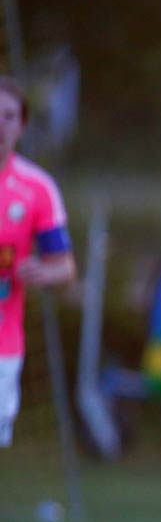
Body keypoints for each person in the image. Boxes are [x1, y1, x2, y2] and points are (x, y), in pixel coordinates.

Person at [0, 77, 76, 450]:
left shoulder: (37, 189)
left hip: (3, 342)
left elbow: (65, 268)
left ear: (21, 126)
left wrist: (44, 272)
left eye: (8, 116)